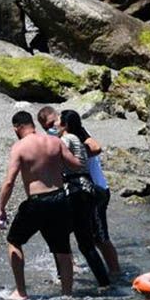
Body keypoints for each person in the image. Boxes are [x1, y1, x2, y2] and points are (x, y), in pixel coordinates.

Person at [0, 111, 82, 300]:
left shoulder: (19, 147)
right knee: (62, 248)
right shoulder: (54, 141)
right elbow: (76, 164)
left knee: (14, 241)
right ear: (33, 124)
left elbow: (9, 181)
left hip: (37, 202)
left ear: (17, 127)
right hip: (60, 198)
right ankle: (67, 295)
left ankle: (21, 292)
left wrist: (1, 208)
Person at [37, 107, 120, 276]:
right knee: (61, 233)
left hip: (95, 190)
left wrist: (74, 154)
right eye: (48, 127)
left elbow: (96, 148)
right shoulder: (54, 138)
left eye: (55, 123)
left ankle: (115, 273)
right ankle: (68, 270)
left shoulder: (77, 133)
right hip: (74, 192)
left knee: (99, 237)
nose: (53, 128)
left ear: (62, 121)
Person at [56, 110, 110, 287]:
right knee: (87, 242)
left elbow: (73, 162)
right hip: (86, 190)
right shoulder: (77, 139)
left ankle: (66, 281)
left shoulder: (67, 140)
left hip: (77, 191)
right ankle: (105, 281)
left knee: (79, 240)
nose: (55, 125)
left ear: (65, 125)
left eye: (57, 121)